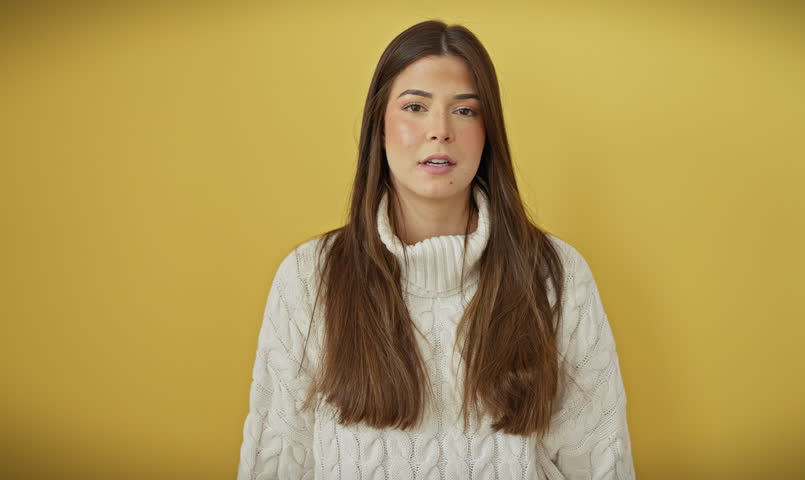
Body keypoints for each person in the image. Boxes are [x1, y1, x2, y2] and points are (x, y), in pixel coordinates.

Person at [237, 19, 635, 480]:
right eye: (415, 107)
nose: (440, 130)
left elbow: (602, 464)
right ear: (378, 128)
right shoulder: (309, 278)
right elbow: (277, 463)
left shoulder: (555, 276)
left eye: (465, 111)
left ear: (488, 134)